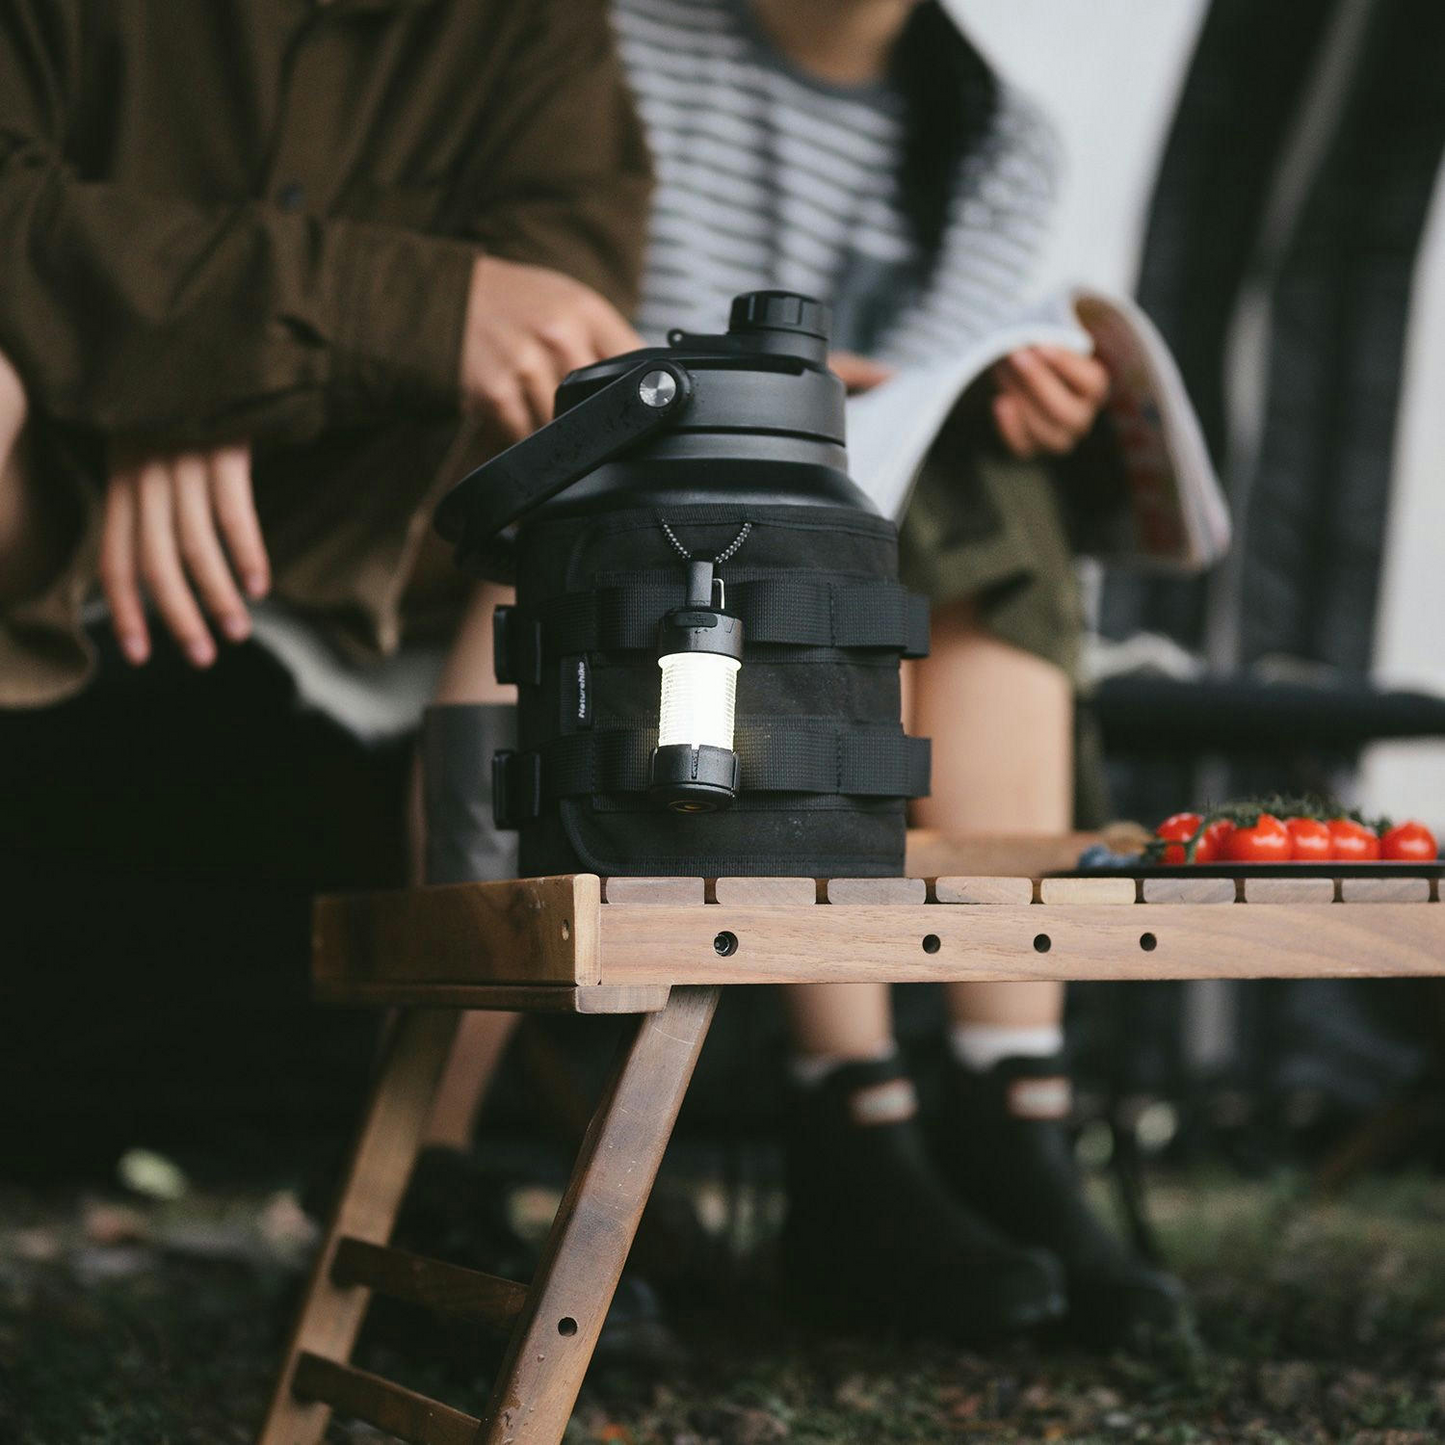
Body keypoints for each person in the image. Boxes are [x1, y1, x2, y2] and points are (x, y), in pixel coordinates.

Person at [426, 0, 1185, 1348]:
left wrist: (1007, 382)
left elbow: (927, 386)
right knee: (824, 537)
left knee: (973, 482)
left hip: (842, 543)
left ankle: (980, 1110)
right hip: (614, 505)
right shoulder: (617, 42)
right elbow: (556, 319)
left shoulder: (994, 130)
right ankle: (895, 1109)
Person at [0, 0, 650, 711]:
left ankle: (472, 817)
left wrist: (199, 357)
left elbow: (557, 336)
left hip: (370, 560)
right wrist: (195, 356)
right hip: (51, 498)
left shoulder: (538, 27)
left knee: (589, 472)